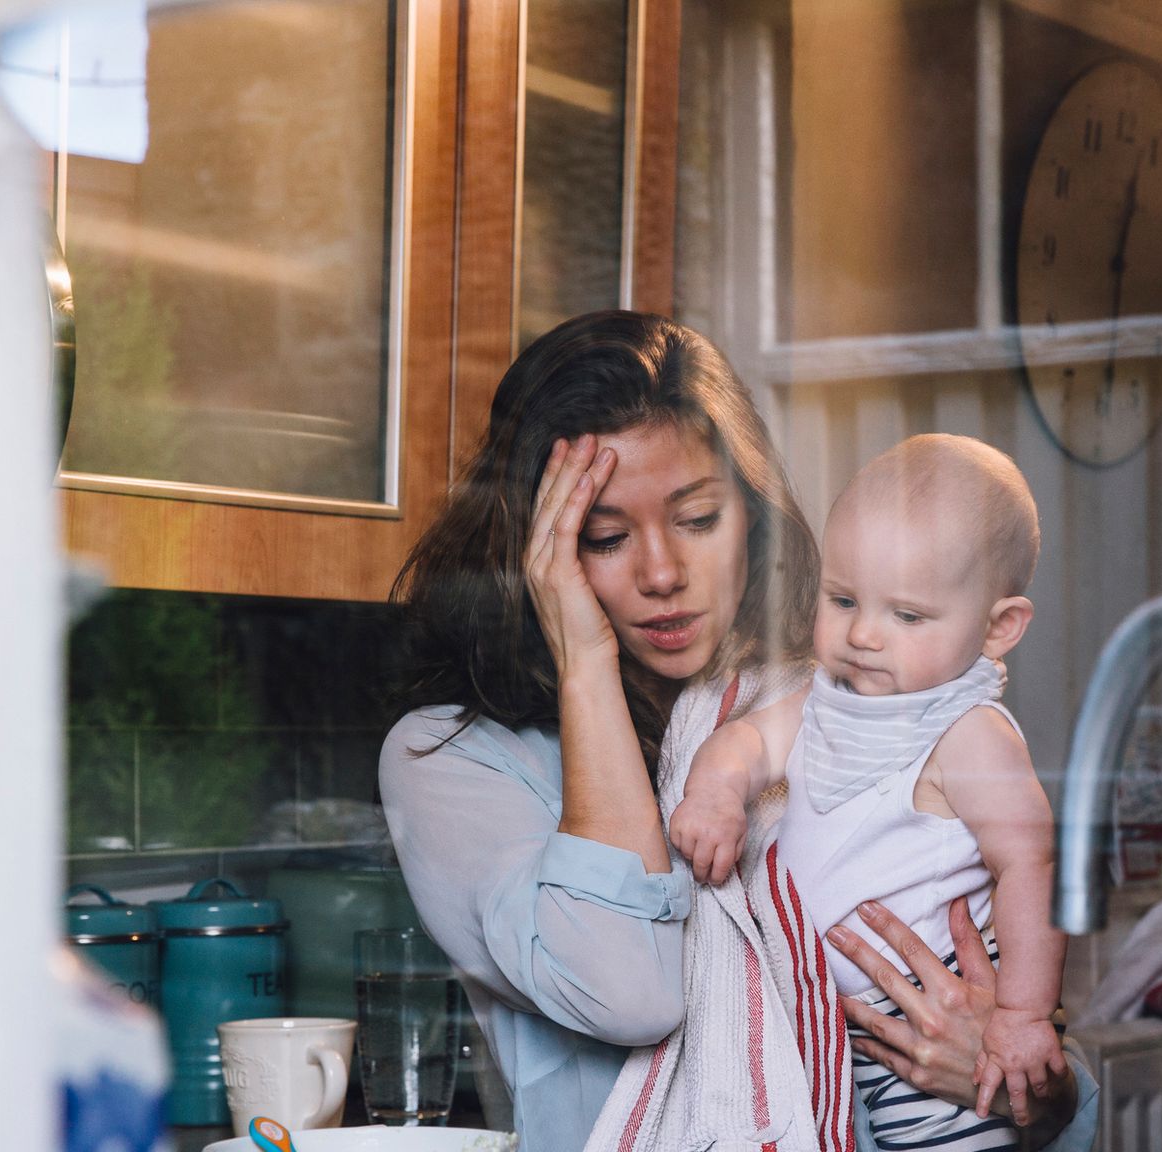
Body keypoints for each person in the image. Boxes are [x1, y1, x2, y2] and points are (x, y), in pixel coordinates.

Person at [378, 312, 1096, 1152]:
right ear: (535, 550)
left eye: (698, 519)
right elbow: (630, 991)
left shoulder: (838, 706)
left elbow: (1046, 1069)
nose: (661, 575)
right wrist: (585, 658)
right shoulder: (454, 762)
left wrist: (1022, 1085)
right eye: (604, 537)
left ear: (751, 516)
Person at [668, 434, 1065, 1152]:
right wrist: (717, 795)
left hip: (930, 1046)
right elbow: (748, 741)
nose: (862, 635)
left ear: (999, 627)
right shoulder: (827, 701)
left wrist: (1024, 1017)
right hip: (832, 1035)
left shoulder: (968, 732)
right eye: (843, 599)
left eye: (907, 616)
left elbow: (1032, 865)